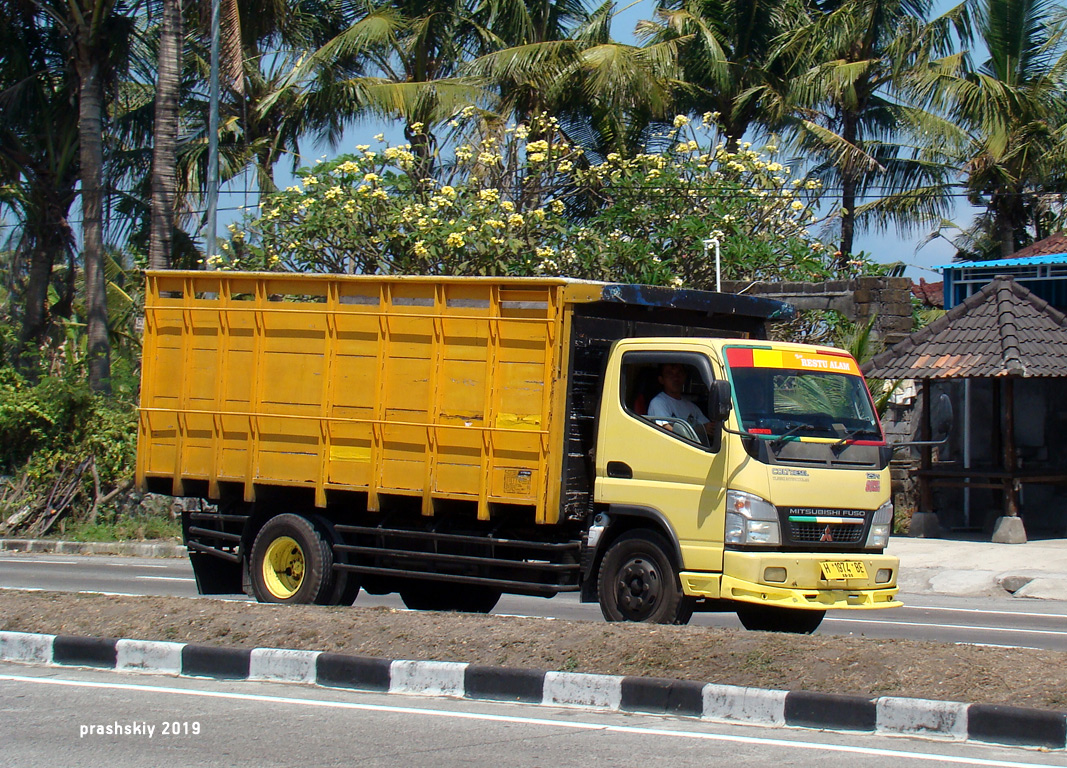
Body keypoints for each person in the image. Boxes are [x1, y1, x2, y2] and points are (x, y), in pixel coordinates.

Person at [647, 363, 715, 438]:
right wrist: (700, 429)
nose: (676, 378)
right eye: (670, 374)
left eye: (679, 373)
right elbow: (666, 430)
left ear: (685, 377)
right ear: (661, 380)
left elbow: (708, 427)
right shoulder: (658, 403)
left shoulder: (691, 406)